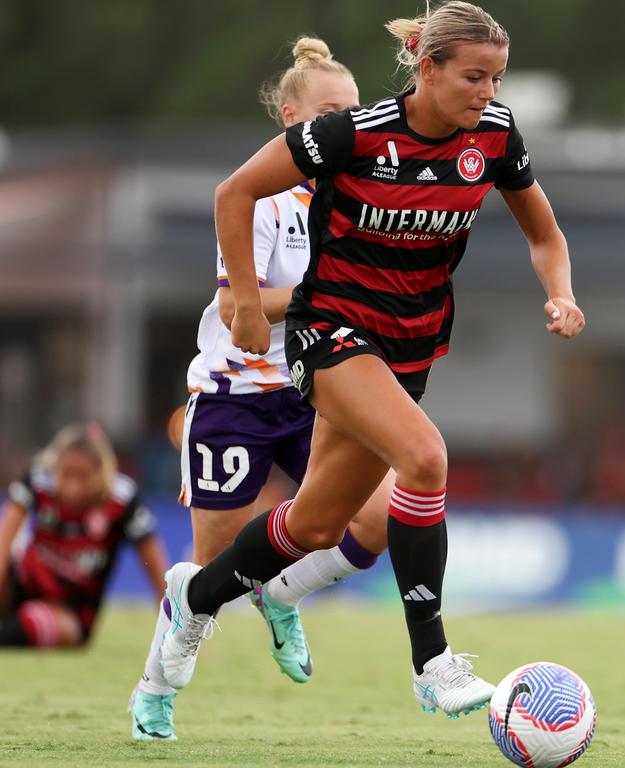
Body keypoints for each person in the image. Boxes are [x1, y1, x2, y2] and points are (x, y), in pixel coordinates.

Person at [152, 0, 584, 720]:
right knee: (426, 458)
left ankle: (194, 598)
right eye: (474, 77)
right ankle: (433, 663)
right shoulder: (351, 134)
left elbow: (545, 234)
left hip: (411, 344)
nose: (488, 93)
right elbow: (236, 191)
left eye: (497, 78)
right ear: (428, 68)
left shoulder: (498, 138)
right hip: (331, 331)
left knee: (316, 525)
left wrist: (561, 294)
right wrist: (252, 306)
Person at [129, 37, 389, 741]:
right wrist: (324, 293)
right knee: (209, 571)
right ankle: (155, 688)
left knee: (383, 516)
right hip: (237, 391)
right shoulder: (262, 194)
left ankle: (283, 595)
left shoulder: (361, 196)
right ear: (290, 116)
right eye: (330, 111)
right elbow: (244, 307)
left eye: (353, 112)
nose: (344, 124)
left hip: (316, 387)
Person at [0, 423, 167, 647]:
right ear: (55, 466)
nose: (73, 488)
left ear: (101, 472)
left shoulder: (122, 501)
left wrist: (174, 635)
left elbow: (158, 574)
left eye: (83, 477)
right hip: (22, 587)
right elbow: (4, 543)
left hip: (73, 613)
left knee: (32, 621)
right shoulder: (38, 481)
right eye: (66, 475)